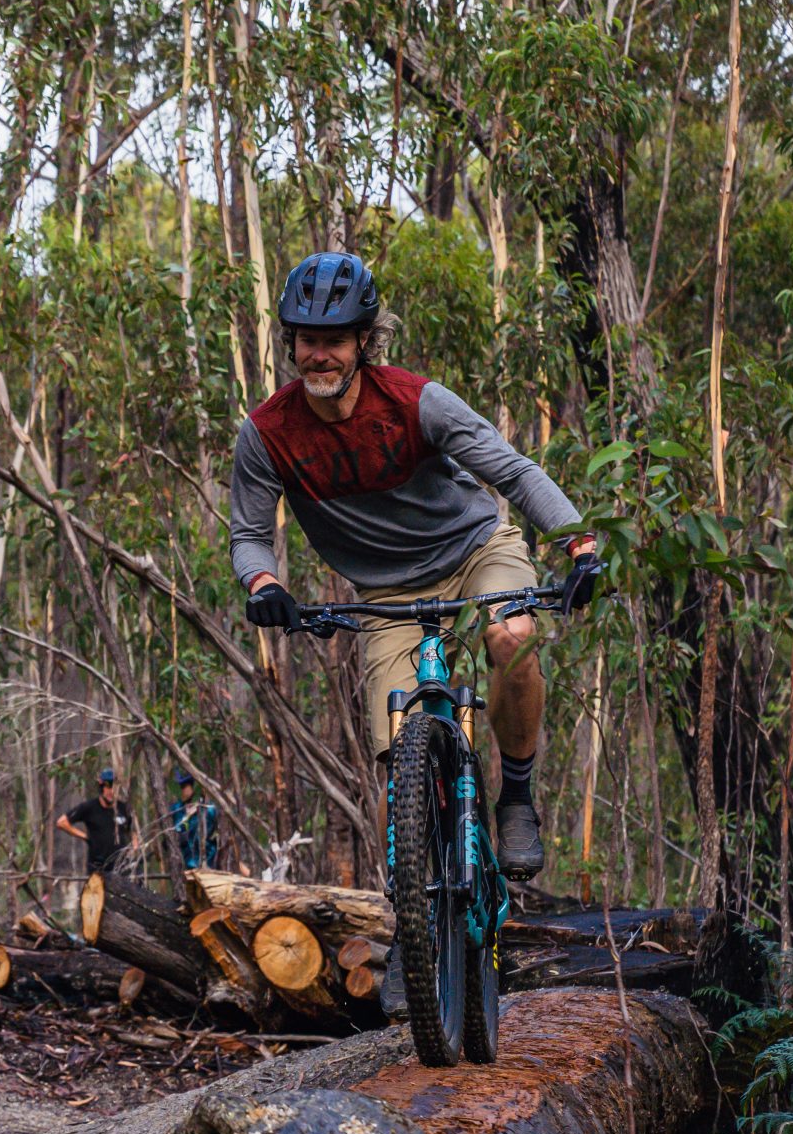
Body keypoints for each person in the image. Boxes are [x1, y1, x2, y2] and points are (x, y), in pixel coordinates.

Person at [229, 251, 603, 880]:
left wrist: (580, 545)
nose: (320, 355)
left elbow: (512, 471)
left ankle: (514, 796)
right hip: (388, 592)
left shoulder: (416, 402)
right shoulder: (267, 433)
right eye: (308, 341)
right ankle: (419, 920)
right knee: (398, 751)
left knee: (511, 637)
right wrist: (263, 581)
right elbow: (249, 534)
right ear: (291, 344)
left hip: (476, 551)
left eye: (336, 341)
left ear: (364, 343)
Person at [55, 767, 134, 876]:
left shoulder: (123, 808)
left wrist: (134, 849)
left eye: (114, 787)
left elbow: (133, 830)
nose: (111, 791)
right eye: (107, 786)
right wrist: (85, 836)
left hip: (121, 868)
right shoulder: (90, 807)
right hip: (98, 869)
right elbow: (61, 822)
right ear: (101, 787)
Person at [169, 771, 219, 873]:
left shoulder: (209, 809)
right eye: (182, 786)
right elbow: (178, 830)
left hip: (209, 862)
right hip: (188, 864)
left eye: (186, 786)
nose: (184, 790)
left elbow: (218, 830)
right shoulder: (176, 809)